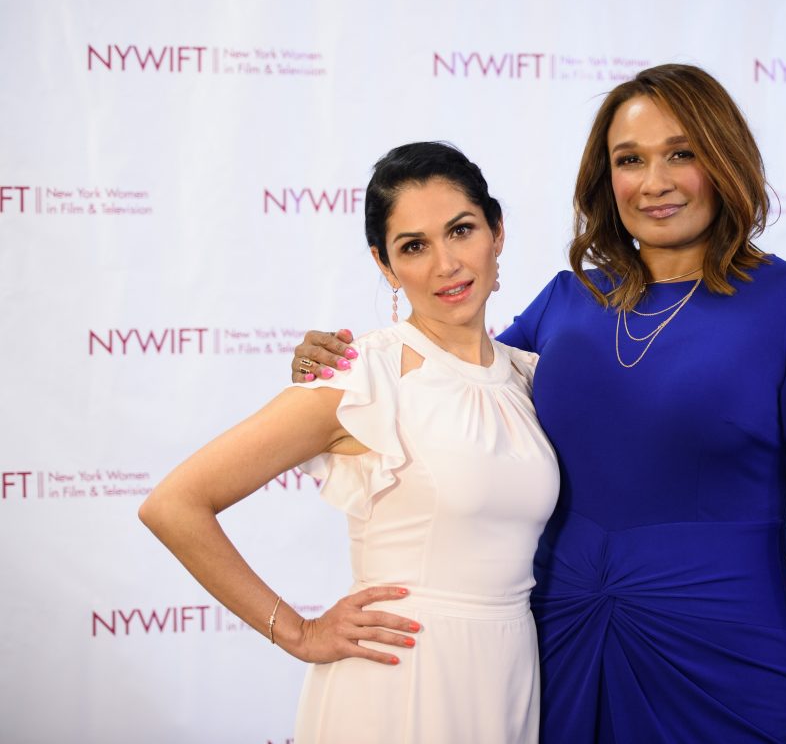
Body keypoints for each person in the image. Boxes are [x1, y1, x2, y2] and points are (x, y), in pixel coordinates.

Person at [293, 65, 786, 744]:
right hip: (556, 651)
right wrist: (338, 365)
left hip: (725, 660)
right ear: (607, 179)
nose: (654, 181)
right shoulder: (568, 301)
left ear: (724, 160)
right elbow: (445, 386)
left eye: (680, 153)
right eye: (630, 160)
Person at [141, 142, 559, 744]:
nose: (445, 263)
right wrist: (298, 633)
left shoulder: (529, 375)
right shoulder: (362, 374)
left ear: (496, 232)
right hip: (399, 677)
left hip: (509, 675)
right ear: (385, 266)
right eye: (413, 246)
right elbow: (174, 504)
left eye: (461, 230)